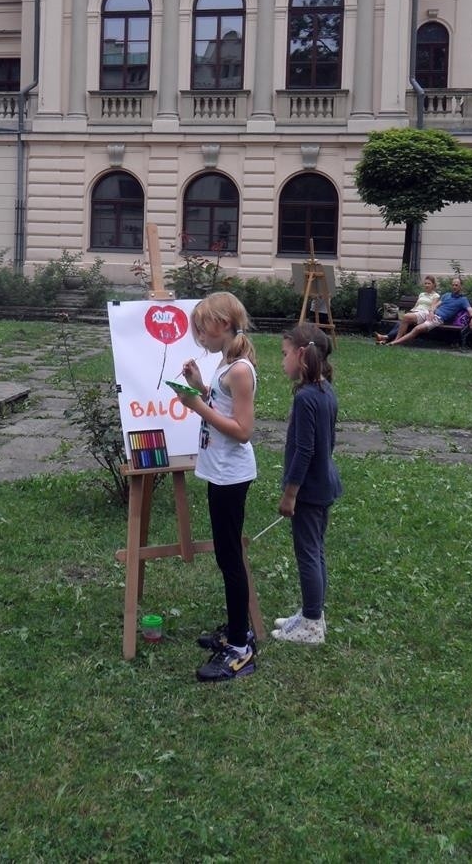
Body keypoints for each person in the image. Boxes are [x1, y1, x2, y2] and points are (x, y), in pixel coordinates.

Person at [176, 292, 258, 682]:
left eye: (202, 329)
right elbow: (222, 408)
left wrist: (197, 407)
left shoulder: (240, 369)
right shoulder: (226, 363)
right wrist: (200, 388)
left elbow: (242, 431)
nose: (198, 337)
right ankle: (238, 629)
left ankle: (241, 648)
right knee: (226, 557)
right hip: (219, 471)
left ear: (223, 324)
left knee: (230, 560)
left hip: (232, 475)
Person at [272, 323, 342, 646]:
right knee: (317, 551)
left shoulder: (305, 398)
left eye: (285, 354)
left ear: (301, 354)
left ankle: (312, 625)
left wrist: (290, 494)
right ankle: (314, 612)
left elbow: (305, 451)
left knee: (308, 553)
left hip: (309, 492)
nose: (282, 360)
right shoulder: (325, 389)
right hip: (324, 485)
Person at [388, 276, 472, 347]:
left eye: (456, 285)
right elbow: (435, 305)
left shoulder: (463, 300)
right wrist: (431, 312)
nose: (454, 287)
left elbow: (471, 311)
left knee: (417, 329)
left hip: (438, 319)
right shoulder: (446, 295)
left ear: (461, 286)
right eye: (453, 285)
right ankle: (396, 340)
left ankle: (394, 343)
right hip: (429, 313)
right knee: (406, 317)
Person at [375, 275, 440, 344]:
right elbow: (416, 306)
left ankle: (394, 341)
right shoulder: (422, 294)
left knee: (405, 318)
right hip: (416, 313)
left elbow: (432, 308)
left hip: (424, 314)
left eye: (429, 283)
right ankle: (385, 340)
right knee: (401, 322)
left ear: (433, 285)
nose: (426, 285)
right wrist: (412, 311)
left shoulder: (436, 296)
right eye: (425, 283)